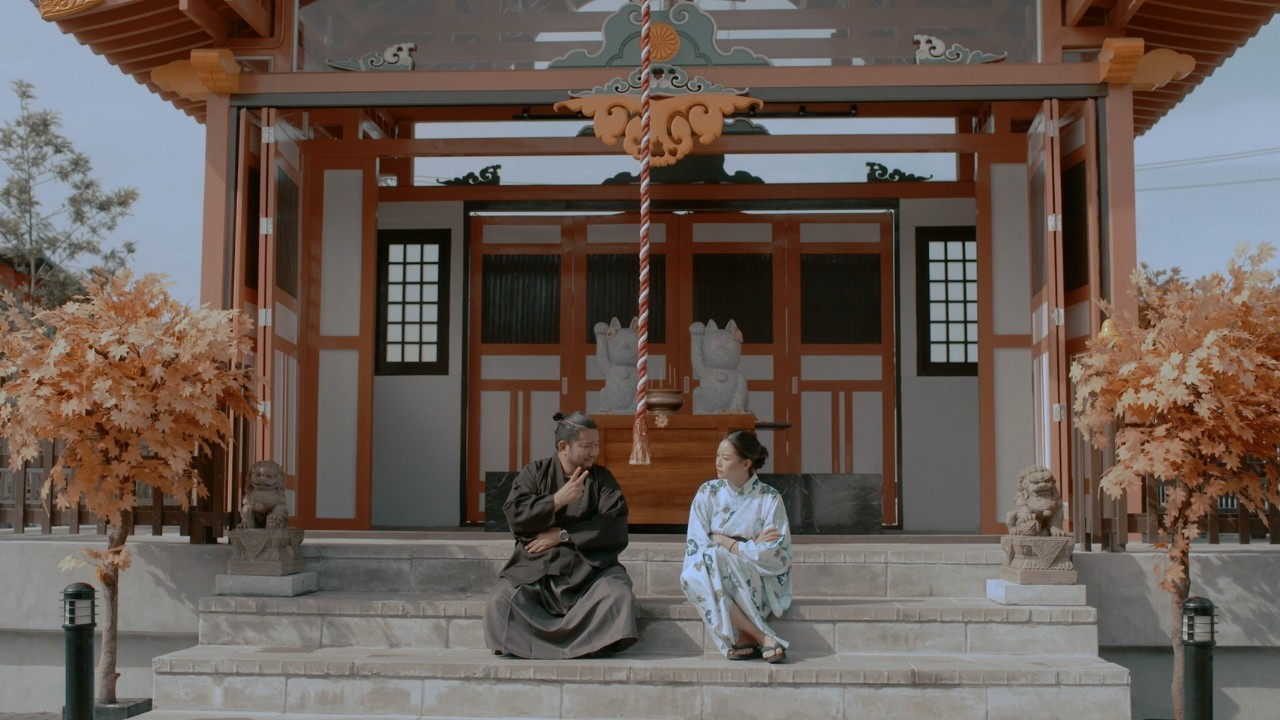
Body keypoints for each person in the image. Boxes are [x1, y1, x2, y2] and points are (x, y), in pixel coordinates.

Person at [484, 411, 638, 659]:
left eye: (596, 445)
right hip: (538, 568)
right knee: (501, 600)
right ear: (563, 447)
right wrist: (556, 500)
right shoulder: (535, 472)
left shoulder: (602, 479)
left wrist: (564, 535)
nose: (594, 452)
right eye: (586, 446)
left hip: (588, 569)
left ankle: (593, 643)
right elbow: (514, 513)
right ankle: (530, 644)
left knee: (617, 595)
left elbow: (614, 524)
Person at [680, 429, 793, 663]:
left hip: (755, 573)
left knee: (711, 560)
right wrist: (749, 545)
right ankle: (761, 636)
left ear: (746, 463)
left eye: (726, 458)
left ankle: (746, 634)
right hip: (715, 567)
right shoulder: (707, 492)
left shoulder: (769, 498)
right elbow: (697, 543)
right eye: (717, 456)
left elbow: (774, 553)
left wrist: (723, 540)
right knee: (696, 570)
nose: (718, 463)